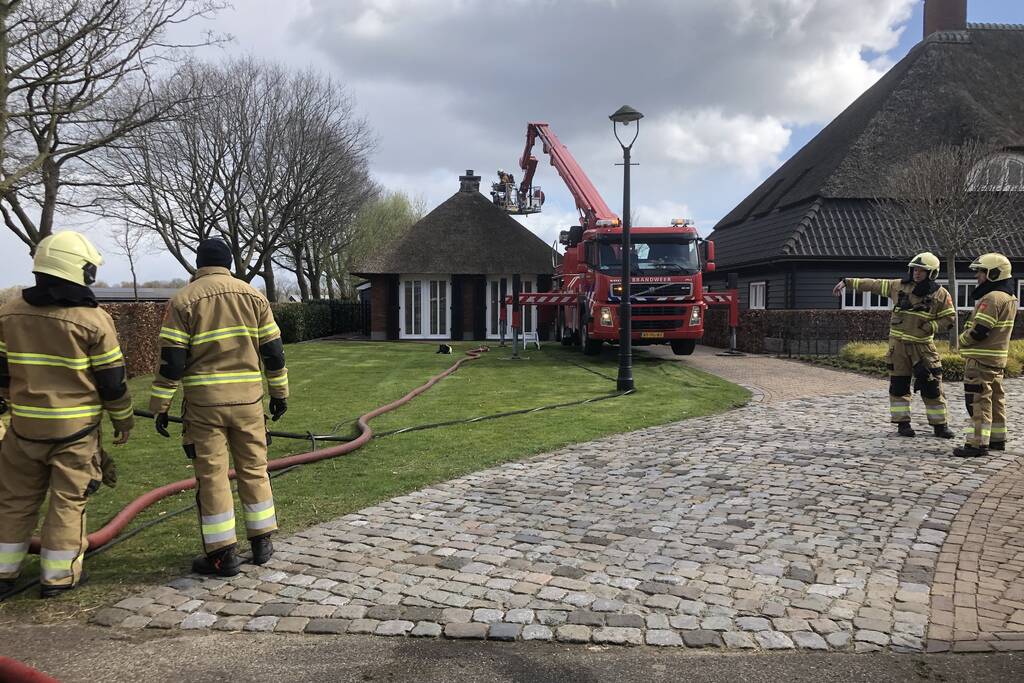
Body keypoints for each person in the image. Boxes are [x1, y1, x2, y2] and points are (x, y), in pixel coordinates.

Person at [0, 231, 133, 599]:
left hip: (23, 429)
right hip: (74, 432)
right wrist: (123, 421)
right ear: (79, 270)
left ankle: (3, 572)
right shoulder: (92, 320)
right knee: (68, 501)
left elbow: (2, 371)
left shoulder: (9, 312)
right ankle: (58, 577)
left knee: (13, 500)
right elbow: (112, 383)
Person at [150, 239, 289, 577]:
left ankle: (222, 555)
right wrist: (279, 393)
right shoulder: (254, 296)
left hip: (204, 405)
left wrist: (160, 404)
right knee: (254, 469)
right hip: (248, 403)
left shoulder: (183, 301)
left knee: (213, 476)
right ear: (229, 263)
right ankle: (261, 543)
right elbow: (273, 352)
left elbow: (173, 362)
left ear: (199, 263)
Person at [833, 252, 957, 438]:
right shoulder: (898, 286)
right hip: (897, 348)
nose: (916, 273)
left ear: (932, 273)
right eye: (915, 269)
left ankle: (940, 426)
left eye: (922, 271)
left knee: (932, 387)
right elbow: (873, 284)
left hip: (922, 348)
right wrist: (847, 282)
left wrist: (931, 326)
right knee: (899, 386)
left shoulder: (941, 294)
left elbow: (950, 318)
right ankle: (903, 424)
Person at [953, 253, 1018, 458]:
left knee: (978, 402)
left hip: (980, 362)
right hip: (996, 360)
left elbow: (980, 331)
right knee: (996, 400)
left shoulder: (991, 298)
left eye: (981, 272)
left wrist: (961, 340)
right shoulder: (1010, 298)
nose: (977, 276)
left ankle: (976, 444)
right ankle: (997, 440)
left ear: (994, 274)